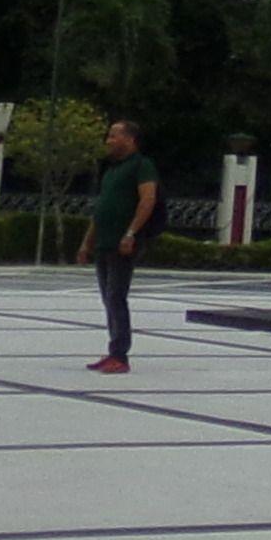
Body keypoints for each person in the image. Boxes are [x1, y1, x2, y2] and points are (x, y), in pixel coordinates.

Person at [88, 115, 159, 373]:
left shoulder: (142, 165)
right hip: (104, 242)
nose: (109, 140)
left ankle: (120, 354)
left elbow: (147, 200)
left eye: (114, 135)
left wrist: (130, 233)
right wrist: (87, 242)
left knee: (117, 295)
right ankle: (113, 350)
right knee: (108, 297)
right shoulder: (111, 169)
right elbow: (101, 209)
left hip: (123, 243)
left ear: (130, 139)